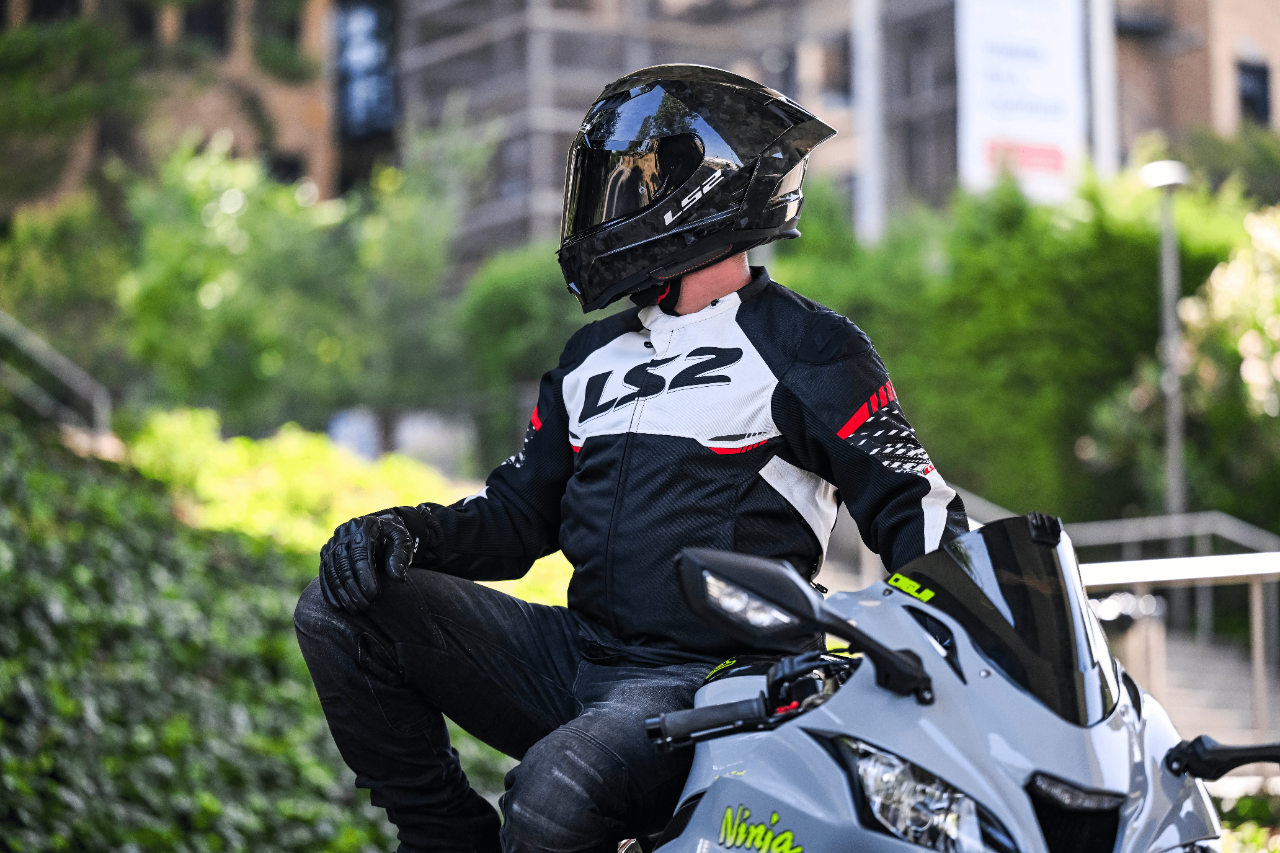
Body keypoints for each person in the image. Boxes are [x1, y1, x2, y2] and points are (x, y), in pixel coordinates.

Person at [294, 64, 968, 853]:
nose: (604, 207)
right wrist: (405, 531)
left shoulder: (810, 348)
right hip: (577, 654)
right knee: (337, 606)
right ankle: (447, 840)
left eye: (628, 184)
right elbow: (516, 520)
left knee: (555, 794)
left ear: (701, 194)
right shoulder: (590, 357)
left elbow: (918, 509)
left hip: (713, 679)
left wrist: (963, 643)